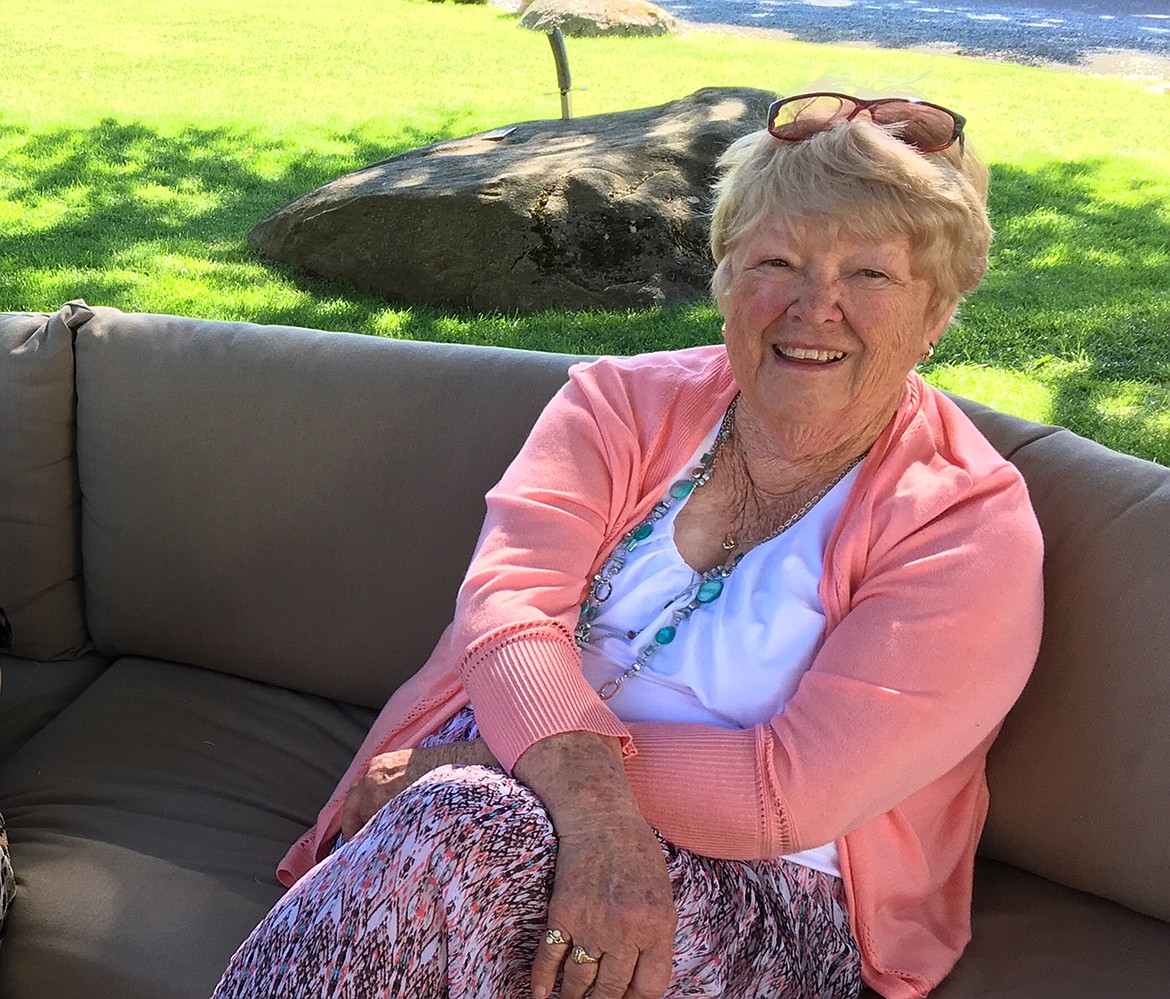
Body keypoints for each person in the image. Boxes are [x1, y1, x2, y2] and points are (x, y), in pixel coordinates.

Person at [212, 91, 1044, 999]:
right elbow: (508, 611)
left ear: (937, 312)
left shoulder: (965, 525)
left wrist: (513, 772)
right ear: (726, 280)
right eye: (778, 261)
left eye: (871, 275)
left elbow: (790, 792)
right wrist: (566, 801)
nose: (815, 307)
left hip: (764, 886)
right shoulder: (619, 404)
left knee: (455, 832)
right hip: (480, 800)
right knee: (458, 849)